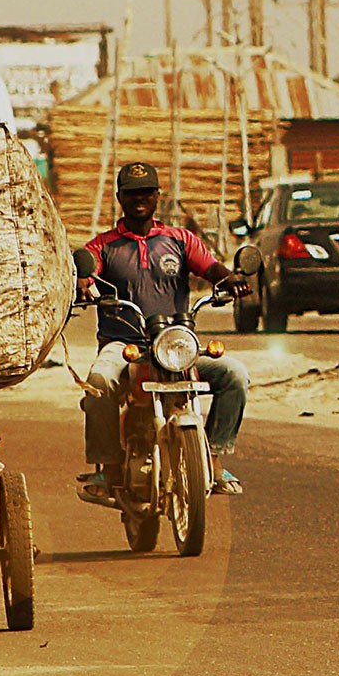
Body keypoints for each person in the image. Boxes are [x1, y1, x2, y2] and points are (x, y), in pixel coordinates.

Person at [82, 161, 250, 494]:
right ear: (120, 198)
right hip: (125, 346)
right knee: (99, 381)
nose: (139, 199)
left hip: (175, 346)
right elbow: (88, 270)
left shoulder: (180, 239)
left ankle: (215, 459)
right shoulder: (103, 245)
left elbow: (212, 267)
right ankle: (109, 466)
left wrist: (231, 280)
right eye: (131, 193)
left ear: (158, 196)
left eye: (146, 192)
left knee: (235, 375)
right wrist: (84, 283)